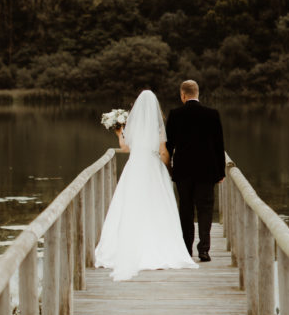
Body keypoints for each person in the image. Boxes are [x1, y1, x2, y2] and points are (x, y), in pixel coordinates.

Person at [95, 89, 198, 282]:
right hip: (152, 167)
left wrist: (119, 133)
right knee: (157, 205)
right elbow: (164, 152)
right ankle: (158, 244)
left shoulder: (131, 126)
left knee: (131, 205)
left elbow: (125, 148)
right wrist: (168, 168)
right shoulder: (158, 128)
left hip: (134, 167)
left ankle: (125, 246)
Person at [165, 79, 225, 262]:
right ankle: (204, 250)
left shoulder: (175, 114)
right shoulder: (212, 114)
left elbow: (169, 144)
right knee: (205, 209)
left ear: (183, 95)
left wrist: (169, 168)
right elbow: (219, 145)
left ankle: (186, 248)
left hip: (183, 171)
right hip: (207, 171)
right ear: (197, 94)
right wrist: (220, 172)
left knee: (186, 209)